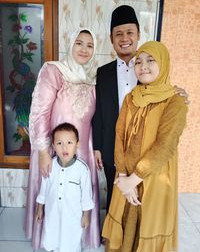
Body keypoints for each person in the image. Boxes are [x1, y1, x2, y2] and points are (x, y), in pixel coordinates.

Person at [92, 5, 188, 212]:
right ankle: (113, 230)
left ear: (138, 34)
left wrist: (177, 93)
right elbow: (98, 111)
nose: (124, 38)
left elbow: (162, 91)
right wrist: (97, 146)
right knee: (113, 189)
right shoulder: (103, 72)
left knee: (141, 193)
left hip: (143, 144)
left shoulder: (147, 68)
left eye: (129, 32)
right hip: (111, 143)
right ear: (111, 39)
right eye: (118, 34)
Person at [102, 41, 188, 252]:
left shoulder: (175, 101)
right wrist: (122, 175)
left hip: (154, 177)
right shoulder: (132, 98)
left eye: (151, 60)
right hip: (126, 175)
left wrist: (134, 179)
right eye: (138, 62)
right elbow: (119, 135)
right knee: (125, 218)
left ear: (164, 63)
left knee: (148, 220)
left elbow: (165, 145)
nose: (143, 66)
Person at [25, 28, 100, 249]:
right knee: (52, 192)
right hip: (52, 149)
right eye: (79, 43)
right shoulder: (54, 71)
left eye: (89, 45)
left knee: (77, 197)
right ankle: (49, 239)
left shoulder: (92, 79)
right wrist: (42, 150)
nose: (84, 49)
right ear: (70, 44)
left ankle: (77, 239)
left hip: (82, 149)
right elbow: (39, 111)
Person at [35, 122, 94, 252]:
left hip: (72, 214)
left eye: (69, 143)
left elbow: (86, 196)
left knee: (71, 236)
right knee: (52, 231)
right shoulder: (50, 165)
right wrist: (40, 208)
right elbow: (44, 189)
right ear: (53, 146)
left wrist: (86, 215)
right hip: (52, 211)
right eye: (59, 143)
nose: (64, 148)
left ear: (77, 144)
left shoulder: (82, 169)